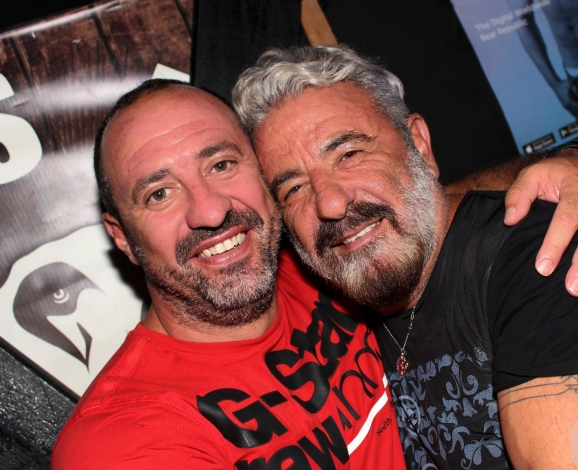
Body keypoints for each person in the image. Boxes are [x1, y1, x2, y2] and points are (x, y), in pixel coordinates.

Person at [233, 45, 578, 469]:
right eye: (293, 188)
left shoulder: (545, 253)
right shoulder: (333, 298)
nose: (330, 203)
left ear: (419, 145)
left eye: (350, 154)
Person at [51, 82, 407, 469]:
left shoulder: (331, 258)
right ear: (123, 237)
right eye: (159, 194)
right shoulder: (122, 439)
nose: (210, 211)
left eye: (221, 165)